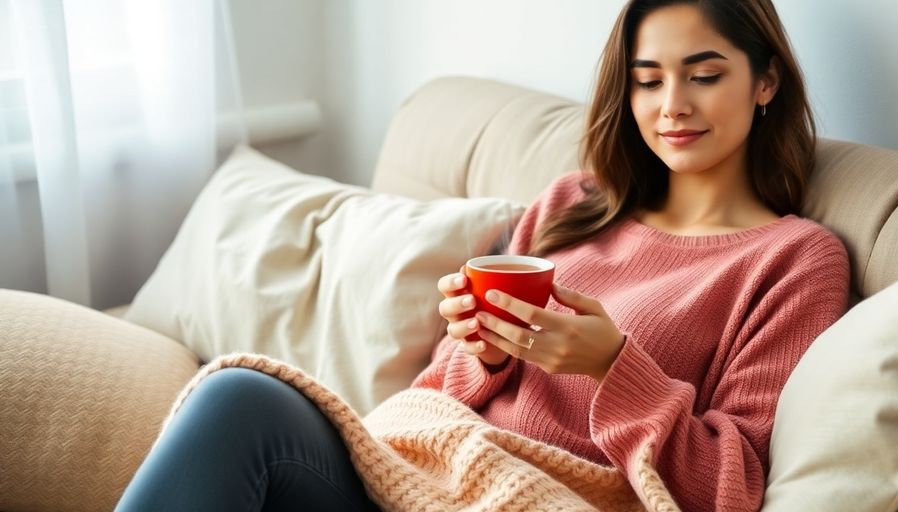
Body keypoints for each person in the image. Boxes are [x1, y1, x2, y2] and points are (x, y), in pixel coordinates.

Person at [116, 0, 850, 510]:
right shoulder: (572, 203)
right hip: (424, 472)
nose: (672, 106)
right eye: (648, 79)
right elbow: (444, 384)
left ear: (766, 80)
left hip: (544, 497)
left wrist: (611, 367)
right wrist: (482, 348)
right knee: (237, 396)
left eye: (704, 74)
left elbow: (733, 487)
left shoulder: (794, 260)